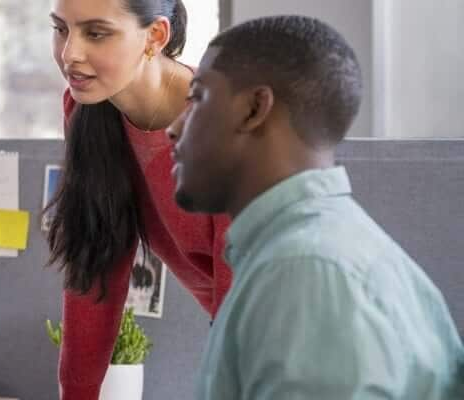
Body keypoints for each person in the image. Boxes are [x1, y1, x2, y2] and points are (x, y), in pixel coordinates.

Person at [169, 14, 464, 399]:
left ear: (255, 108)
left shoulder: (304, 272)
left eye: (197, 97)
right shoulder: (317, 252)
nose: (175, 126)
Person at [45, 0, 232, 398]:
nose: (69, 54)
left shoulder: (222, 124)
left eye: (96, 33)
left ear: (155, 36)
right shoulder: (87, 112)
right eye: (61, 29)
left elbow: (248, 309)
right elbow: (96, 264)